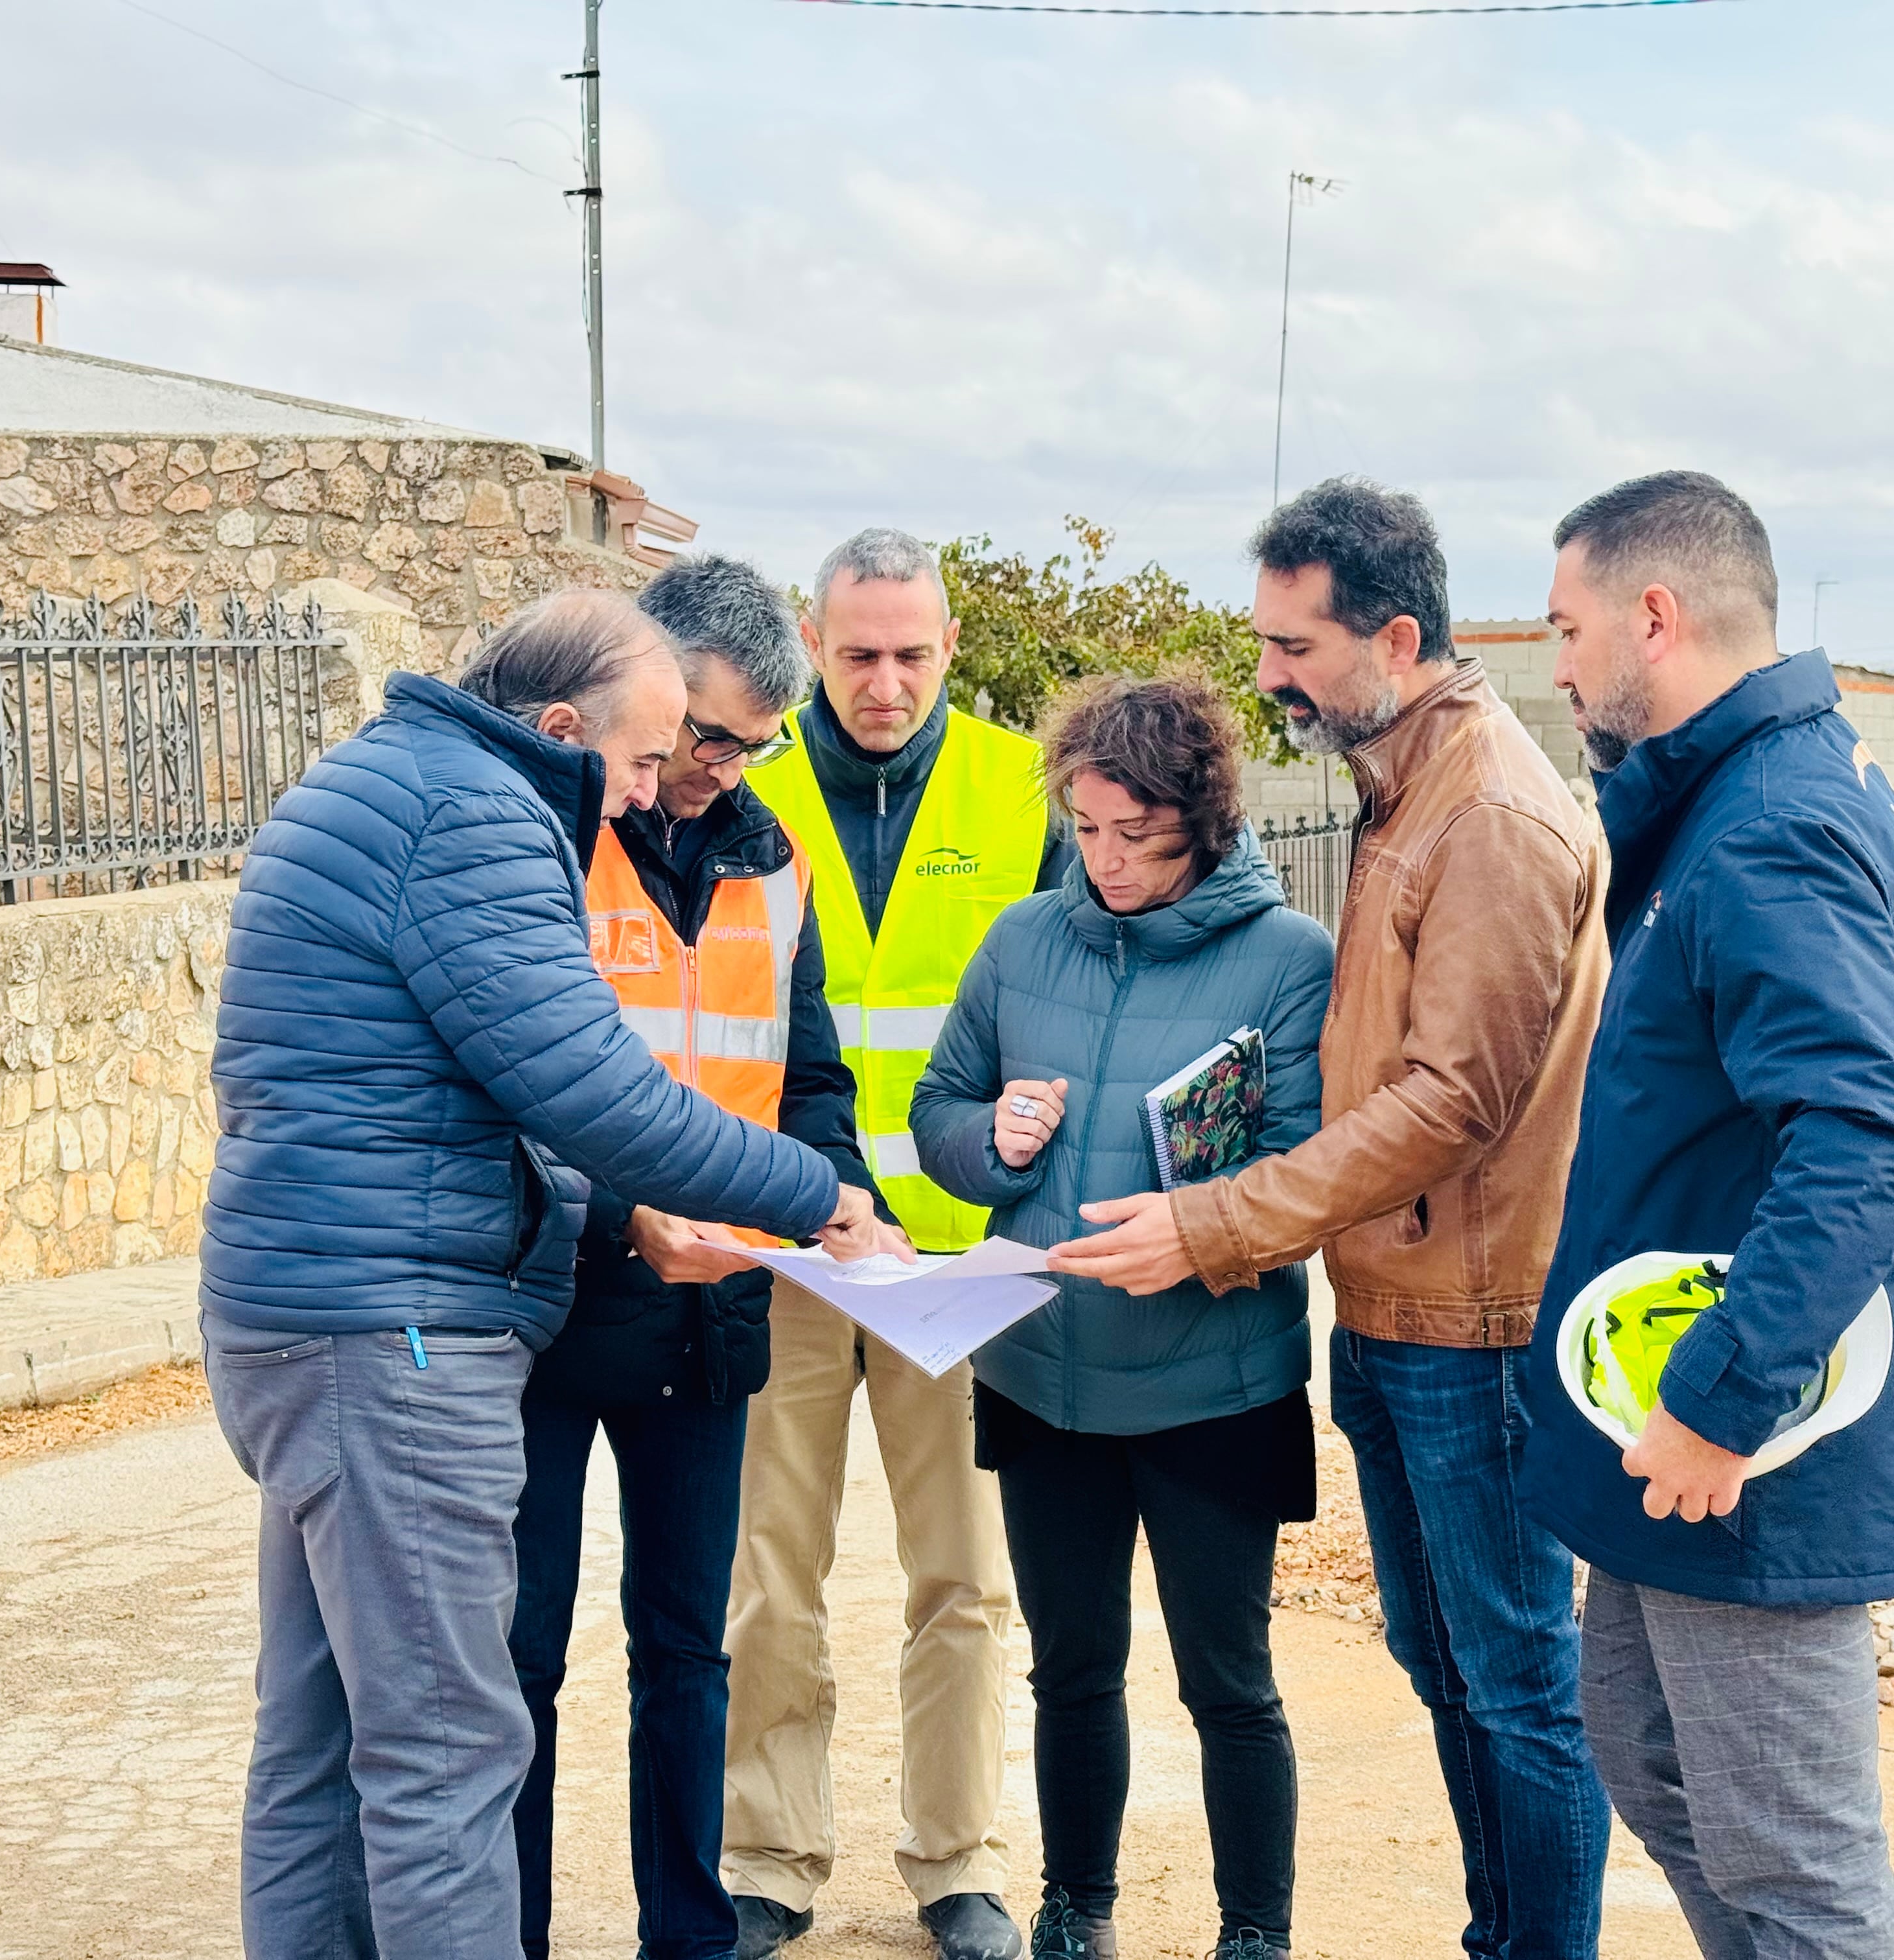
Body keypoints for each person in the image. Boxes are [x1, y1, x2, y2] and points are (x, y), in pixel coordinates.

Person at [200, 589, 885, 1960]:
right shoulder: (477, 816)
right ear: (563, 727)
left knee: (324, 1735)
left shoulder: (379, 779)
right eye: (642, 758)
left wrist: (614, 1215)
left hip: (308, 1308)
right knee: (447, 1753)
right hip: (396, 1333)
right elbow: (592, 1090)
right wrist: (819, 1200)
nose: (645, 796)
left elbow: (471, 1087)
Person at [1053, 478, 1612, 1959]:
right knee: (1449, 1666)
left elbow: (1450, 1104)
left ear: (1397, 635)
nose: (1269, 675)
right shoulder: (1406, 786)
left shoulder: (1485, 812)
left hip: (1476, 1328)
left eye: (1294, 646)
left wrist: (1214, 1224)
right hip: (1399, 1312)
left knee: (1516, 1689)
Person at [1520, 471, 1894, 1960]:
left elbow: (1863, 1140)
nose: (1558, 664)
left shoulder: (1771, 826)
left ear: (1657, 616)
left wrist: (1719, 1397)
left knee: (1796, 1866)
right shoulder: (1748, 798)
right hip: (1697, 1431)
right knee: (1646, 1751)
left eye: (1569, 628)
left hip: (1754, 1448)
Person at [508, 559, 906, 1960]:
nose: (717, 765)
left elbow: (806, 1077)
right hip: (552, 1306)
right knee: (522, 1662)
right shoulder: (550, 831)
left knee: (689, 1653)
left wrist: (844, 1200)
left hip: (711, 1318)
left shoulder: (774, 857)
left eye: (746, 744)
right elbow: (512, 1079)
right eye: (705, 733)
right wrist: (623, 1213)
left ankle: (691, 1937)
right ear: (648, 689)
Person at [913, 674, 1333, 1960]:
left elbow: (1313, 1166)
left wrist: (1204, 1231)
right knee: (1071, 1670)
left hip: (1215, 1387)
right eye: (1088, 830)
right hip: (1044, 1381)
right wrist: (987, 1139)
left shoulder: (1291, 962)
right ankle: (1072, 1907)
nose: (1109, 863)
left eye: (1140, 838)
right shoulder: (1019, 939)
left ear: (1203, 822)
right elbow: (939, 1112)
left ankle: (1254, 1931)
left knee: (1230, 1685)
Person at [726, 529, 1073, 1960]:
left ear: (950, 648)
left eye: (912, 655)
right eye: (858, 653)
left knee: (966, 1579)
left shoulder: (1019, 786)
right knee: (768, 1570)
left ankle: (958, 1866)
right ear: (814, 643)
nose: (884, 682)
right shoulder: (744, 778)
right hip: (787, 1241)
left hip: (959, 1265)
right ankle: (767, 1859)